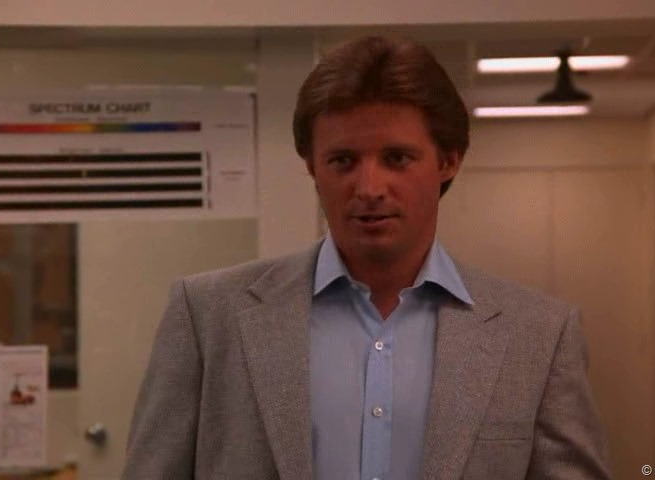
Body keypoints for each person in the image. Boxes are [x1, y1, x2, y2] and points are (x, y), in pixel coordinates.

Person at [122, 35, 611, 480]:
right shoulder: (209, 316)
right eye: (343, 161)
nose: (369, 188)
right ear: (312, 167)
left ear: (448, 161)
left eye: (397, 159)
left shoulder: (537, 336)